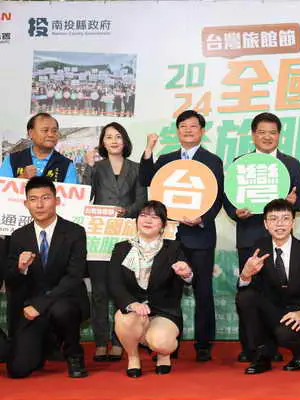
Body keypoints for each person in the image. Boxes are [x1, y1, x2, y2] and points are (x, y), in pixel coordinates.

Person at [139, 109, 223, 362]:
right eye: (183, 126)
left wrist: (202, 218)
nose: (188, 130)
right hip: (171, 237)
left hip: (200, 236)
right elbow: (146, 179)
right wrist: (148, 150)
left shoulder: (212, 160)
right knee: (168, 292)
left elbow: (217, 197)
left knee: (203, 291)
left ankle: (204, 344)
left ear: (202, 131)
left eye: (193, 126)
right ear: (177, 131)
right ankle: (168, 342)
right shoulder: (166, 159)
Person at [224, 112, 300, 362]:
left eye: (272, 132)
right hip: (250, 237)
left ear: (279, 135)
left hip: (281, 239)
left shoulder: (291, 163)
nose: (267, 137)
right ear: (253, 135)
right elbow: (228, 199)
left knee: (278, 292)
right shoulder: (240, 162)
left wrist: (293, 202)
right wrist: (236, 212)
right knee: (248, 292)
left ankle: (274, 344)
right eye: (262, 132)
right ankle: (250, 347)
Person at [4, 176, 89, 378]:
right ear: (26, 204)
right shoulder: (18, 236)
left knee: (62, 310)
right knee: (17, 370)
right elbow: (11, 281)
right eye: (33, 199)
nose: (40, 205)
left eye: (45, 198)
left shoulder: (75, 232)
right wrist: (20, 268)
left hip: (64, 300)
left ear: (56, 200)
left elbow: (74, 277)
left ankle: (74, 355)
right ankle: (43, 347)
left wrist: (41, 305)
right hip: (31, 307)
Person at [236, 199, 300, 374]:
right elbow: (248, 288)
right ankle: (262, 355)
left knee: (284, 333)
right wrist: (245, 275)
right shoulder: (259, 249)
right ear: (265, 224)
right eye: (273, 219)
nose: (279, 224)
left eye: (285, 218)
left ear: (293, 222)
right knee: (245, 297)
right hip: (274, 310)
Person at [82, 122, 147, 362]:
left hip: (126, 234)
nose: (113, 141)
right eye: (108, 137)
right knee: (99, 292)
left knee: (123, 289)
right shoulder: (96, 167)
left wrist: (126, 211)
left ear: (125, 140)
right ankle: (101, 342)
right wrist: (88, 168)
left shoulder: (136, 168)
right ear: (103, 142)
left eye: (118, 136)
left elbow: (142, 199)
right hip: (99, 236)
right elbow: (84, 196)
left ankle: (120, 341)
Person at [108, 201, 193, 378]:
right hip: (135, 311)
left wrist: (186, 273)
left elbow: (189, 278)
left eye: (154, 217)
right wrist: (132, 304)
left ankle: (163, 354)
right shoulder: (122, 248)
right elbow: (114, 283)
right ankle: (133, 357)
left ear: (163, 225)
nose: (148, 220)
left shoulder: (174, 248)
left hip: (165, 311)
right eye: (143, 215)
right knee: (122, 318)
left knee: (161, 342)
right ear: (136, 220)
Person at [0, 113, 78, 183]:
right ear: (30, 133)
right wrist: (22, 177)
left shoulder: (67, 165)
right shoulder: (12, 160)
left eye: (54, 131)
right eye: (45, 130)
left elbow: (71, 194)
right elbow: (2, 190)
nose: (51, 134)